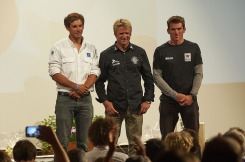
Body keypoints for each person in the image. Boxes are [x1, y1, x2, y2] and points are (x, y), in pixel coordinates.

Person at [95, 18, 155, 155]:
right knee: (109, 146)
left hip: (136, 107)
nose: (124, 36)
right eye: (121, 33)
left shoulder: (139, 52)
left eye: (127, 33)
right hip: (113, 108)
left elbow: (148, 78)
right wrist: (105, 102)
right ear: (115, 34)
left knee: (136, 146)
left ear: (130, 34)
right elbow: (99, 81)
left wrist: (148, 99)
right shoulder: (106, 55)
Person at [48, 12, 100, 152]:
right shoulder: (58, 47)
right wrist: (76, 86)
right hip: (65, 99)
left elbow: (95, 71)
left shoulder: (91, 47)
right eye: (74, 26)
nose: (78, 29)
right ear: (68, 28)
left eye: (81, 26)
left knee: (84, 143)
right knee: (62, 143)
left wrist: (83, 88)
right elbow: (54, 72)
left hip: (85, 99)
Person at [153, 15, 203, 140]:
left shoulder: (193, 48)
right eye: (173, 29)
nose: (176, 32)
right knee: (166, 139)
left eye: (179, 29)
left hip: (190, 100)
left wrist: (192, 95)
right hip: (168, 101)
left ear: (184, 29)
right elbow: (157, 76)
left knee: (193, 139)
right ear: (168, 31)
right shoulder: (160, 51)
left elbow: (198, 73)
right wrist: (174, 95)